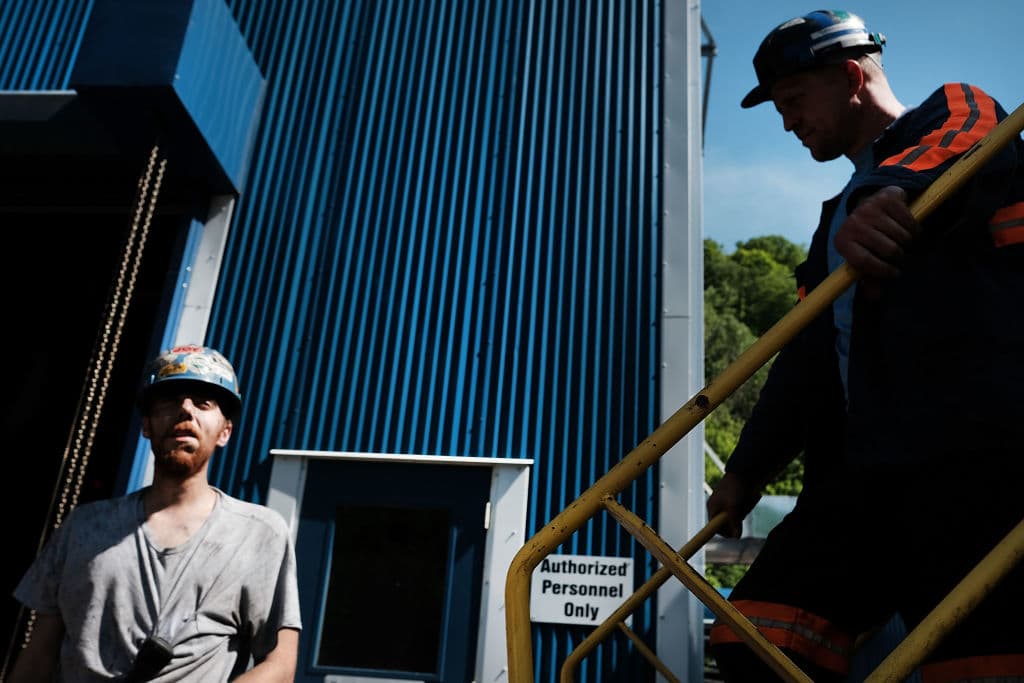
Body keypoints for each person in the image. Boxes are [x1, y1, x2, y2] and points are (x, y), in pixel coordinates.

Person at [705, 9, 1024, 682]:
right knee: (754, 636)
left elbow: (971, 131)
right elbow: (810, 360)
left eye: (794, 101)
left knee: (975, 663)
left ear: (851, 76)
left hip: (976, 464)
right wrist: (746, 470)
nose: (788, 123)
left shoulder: (956, 116)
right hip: (867, 475)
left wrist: (887, 192)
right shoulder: (834, 221)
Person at [8, 345, 302, 682]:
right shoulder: (84, 528)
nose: (185, 410)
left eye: (203, 403)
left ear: (225, 432)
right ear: (147, 425)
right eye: (169, 401)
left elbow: (280, 665)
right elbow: (39, 654)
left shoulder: (259, 533)